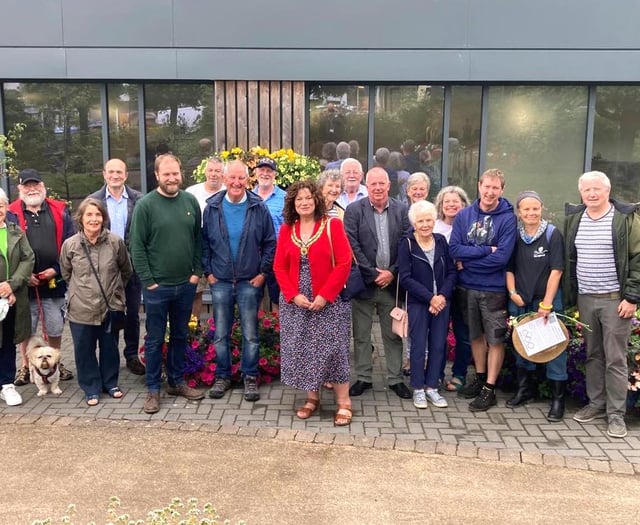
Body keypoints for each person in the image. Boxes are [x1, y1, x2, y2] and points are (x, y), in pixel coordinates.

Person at [565, 171, 640, 439]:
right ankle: (595, 404)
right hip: (586, 299)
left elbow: (638, 258)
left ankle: (616, 414)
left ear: (608, 191)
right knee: (593, 355)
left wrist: (631, 297)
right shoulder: (575, 219)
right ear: (581, 193)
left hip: (614, 301)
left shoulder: (624, 219)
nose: (592, 194)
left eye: (597, 189)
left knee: (616, 359)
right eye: (587, 190)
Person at [129, 153, 205, 415]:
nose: (172, 178)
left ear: (181, 173)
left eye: (176, 173)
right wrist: (148, 281)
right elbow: (136, 246)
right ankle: (153, 389)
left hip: (185, 285)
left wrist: (196, 272)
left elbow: (198, 240)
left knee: (181, 336)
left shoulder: (190, 201)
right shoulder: (146, 205)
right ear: (157, 176)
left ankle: (176, 382)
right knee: (154, 339)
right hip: (157, 288)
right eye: (167, 174)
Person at [273, 181, 353, 425]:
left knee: (334, 350)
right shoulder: (288, 228)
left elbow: (344, 263)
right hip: (296, 302)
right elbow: (279, 266)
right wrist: (293, 294)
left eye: (308, 198)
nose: (304, 202)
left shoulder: (333, 225)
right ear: (292, 204)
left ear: (317, 200)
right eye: (299, 199)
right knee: (305, 349)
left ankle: (344, 403)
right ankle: (312, 398)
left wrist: (325, 295)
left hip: (328, 301)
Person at [203, 160, 276, 402]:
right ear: (224, 179)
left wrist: (263, 273)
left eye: (241, 178)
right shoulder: (212, 207)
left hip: (249, 281)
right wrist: (208, 273)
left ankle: (250, 376)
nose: (236, 183)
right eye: (232, 178)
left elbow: (269, 243)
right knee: (221, 333)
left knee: (250, 334)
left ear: (248, 180)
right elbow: (204, 244)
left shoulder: (258, 207)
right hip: (221, 280)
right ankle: (222, 376)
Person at [449, 169, 516, 412]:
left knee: (495, 339)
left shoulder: (508, 218)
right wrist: (487, 251)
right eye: (486, 186)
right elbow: (454, 249)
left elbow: (503, 258)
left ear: (502, 190)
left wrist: (469, 261)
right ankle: (478, 377)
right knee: (475, 336)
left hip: (494, 290)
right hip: (466, 287)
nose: (489, 192)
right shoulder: (464, 215)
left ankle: (489, 388)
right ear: (479, 185)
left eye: (495, 188)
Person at [344, 167, 412, 398]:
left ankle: (394, 379)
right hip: (364, 283)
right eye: (373, 184)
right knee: (361, 335)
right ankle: (363, 377)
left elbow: (407, 243)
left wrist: (392, 272)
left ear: (389, 185)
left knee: (392, 334)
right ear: (367, 184)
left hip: (392, 284)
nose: (377, 188)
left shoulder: (402, 210)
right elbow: (352, 245)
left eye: (381, 183)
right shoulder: (354, 210)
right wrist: (373, 273)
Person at [60, 198, 132, 406]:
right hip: (80, 309)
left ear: (103, 218)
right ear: (81, 219)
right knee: (84, 350)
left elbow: (126, 271)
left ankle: (110, 383)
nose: (94, 219)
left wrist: (116, 294)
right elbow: (66, 273)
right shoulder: (70, 245)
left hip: (110, 307)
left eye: (98, 214)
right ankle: (91, 387)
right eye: (89, 215)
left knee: (109, 348)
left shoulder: (115, 242)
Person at [9, 168, 74, 387]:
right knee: (26, 328)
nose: (32, 188)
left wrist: (57, 269)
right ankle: (26, 367)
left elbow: (69, 244)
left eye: (35, 184)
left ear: (43, 185)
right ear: (19, 188)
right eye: (27, 185)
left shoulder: (60, 210)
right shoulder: (10, 213)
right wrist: (24, 276)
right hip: (24, 284)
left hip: (54, 281)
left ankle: (55, 363)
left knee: (55, 326)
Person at [506, 191, 566, 422]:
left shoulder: (552, 235)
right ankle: (525, 390)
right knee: (523, 346)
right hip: (520, 301)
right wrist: (512, 293)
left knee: (554, 349)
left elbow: (557, 270)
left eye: (535, 208)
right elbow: (508, 269)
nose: (531, 213)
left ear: (542, 208)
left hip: (546, 302)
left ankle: (558, 400)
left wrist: (547, 303)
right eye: (526, 209)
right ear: (519, 212)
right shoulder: (514, 236)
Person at [89, 159, 145, 375]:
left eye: (119, 172)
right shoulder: (93, 201)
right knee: (109, 313)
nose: (115, 175)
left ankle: (131, 355)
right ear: (104, 174)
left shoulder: (139, 200)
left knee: (132, 314)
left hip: (132, 268)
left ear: (126, 175)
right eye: (111, 171)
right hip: (106, 270)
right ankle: (109, 356)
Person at [398, 201, 456, 409]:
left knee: (439, 345)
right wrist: (429, 298)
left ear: (434, 221)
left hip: (442, 302)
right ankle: (418, 388)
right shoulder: (407, 243)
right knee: (419, 346)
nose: (425, 224)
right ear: (414, 223)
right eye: (420, 221)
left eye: (428, 220)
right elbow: (405, 278)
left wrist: (441, 296)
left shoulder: (441, 241)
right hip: (418, 303)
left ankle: (432, 387)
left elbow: (451, 272)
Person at [433, 186, 472, 392]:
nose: (451, 205)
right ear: (440, 205)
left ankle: (459, 374)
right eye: (447, 201)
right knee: (438, 334)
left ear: (464, 204)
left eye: (456, 201)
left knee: (462, 333)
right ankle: (436, 374)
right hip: (439, 290)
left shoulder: (470, 227)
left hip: (464, 286)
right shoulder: (434, 226)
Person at [0, 189, 34, 406]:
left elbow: (28, 259)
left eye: (0, 206)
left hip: (11, 298)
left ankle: (6, 385)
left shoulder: (16, 232)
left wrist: (11, 287)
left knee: (7, 342)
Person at [186, 156, 226, 320]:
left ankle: (219, 331)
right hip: (198, 246)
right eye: (211, 170)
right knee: (196, 291)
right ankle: (194, 331)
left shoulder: (228, 191)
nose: (214, 174)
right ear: (205, 171)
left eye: (217, 171)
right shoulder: (191, 192)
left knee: (222, 294)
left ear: (223, 173)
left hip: (222, 249)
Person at [252, 157, 286, 311]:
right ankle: (255, 332)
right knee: (253, 298)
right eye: (262, 170)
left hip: (278, 254)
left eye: (269, 171)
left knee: (277, 298)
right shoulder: (248, 197)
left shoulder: (285, 198)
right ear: (256, 173)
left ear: (274, 174)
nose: (265, 174)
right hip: (253, 255)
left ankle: (277, 333)